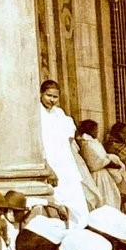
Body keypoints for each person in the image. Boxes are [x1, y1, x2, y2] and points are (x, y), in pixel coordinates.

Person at [37, 80, 90, 225]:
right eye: (49, 96)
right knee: (57, 202)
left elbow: (68, 138)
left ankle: (79, 231)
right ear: (41, 93)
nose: (52, 100)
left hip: (66, 163)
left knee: (76, 201)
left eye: (55, 97)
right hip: (49, 163)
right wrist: (48, 168)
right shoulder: (36, 114)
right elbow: (37, 144)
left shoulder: (59, 113)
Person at [77, 119, 126, 211]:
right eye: (95, 130)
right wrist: (109, 162)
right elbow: (93, 162)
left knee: (111, 197)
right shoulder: (87, 144)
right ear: (90, 130)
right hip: (98, 175)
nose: (97, 132)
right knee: (104, 199)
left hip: (104, 174)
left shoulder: (93, 142)